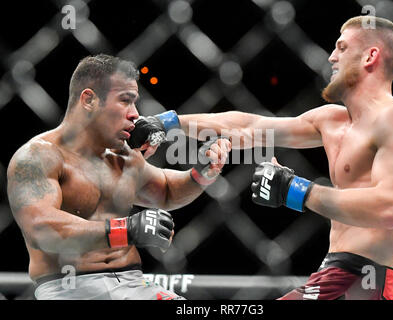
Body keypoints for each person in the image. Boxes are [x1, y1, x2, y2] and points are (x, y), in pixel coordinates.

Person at [176, 16, 393, 300]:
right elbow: (250, 127)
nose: (332, 57)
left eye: (342, 48)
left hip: (363, 281)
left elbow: (389, 209)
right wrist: (170, 123)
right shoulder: (331, 120)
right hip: (334, 273)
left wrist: (294, 190)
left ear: (370, 56)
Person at [6, 54, 231, 300]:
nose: (135, 114)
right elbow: (41, 228)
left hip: (133, 284)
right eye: (125, 101)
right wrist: (125, 230)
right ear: (89, 99)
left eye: (135, 103)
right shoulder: (38, 156)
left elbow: (166, 191)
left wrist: (202, 173)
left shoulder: (122, 155)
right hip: (69, 289)